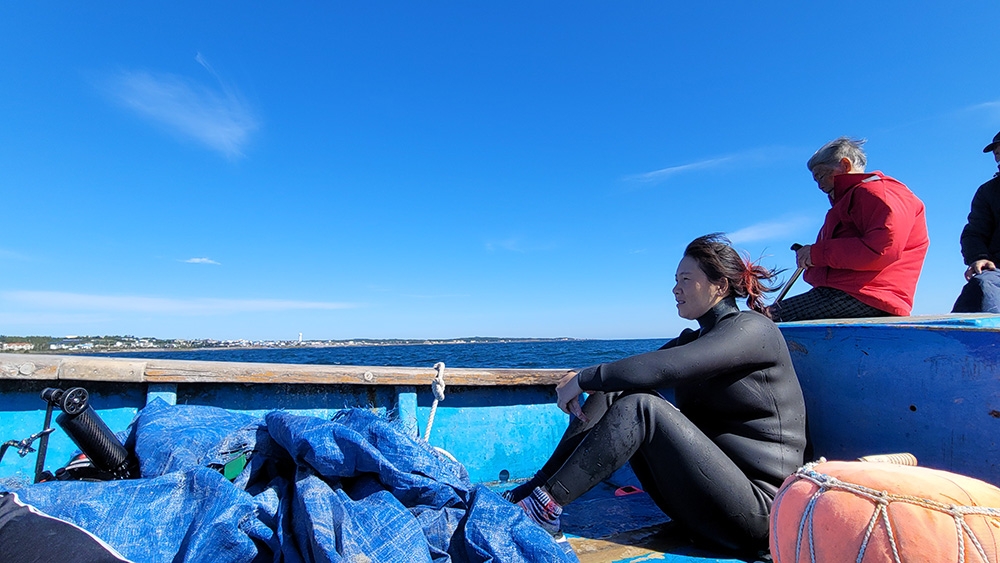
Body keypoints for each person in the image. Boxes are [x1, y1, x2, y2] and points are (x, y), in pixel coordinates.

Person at [504, 234, 807, 554]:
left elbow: (663, 369)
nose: (676, 289)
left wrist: (583, 378)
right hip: (706, 503)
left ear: (720, 286)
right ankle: (536, 492)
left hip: (760, 516)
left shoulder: (753, 330)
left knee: (641, 408)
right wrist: (585, 378)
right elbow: (637, 369)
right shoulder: (696, 338)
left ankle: (545, 508)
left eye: (686, 280)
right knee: (615, 390)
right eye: (675, 280)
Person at [767, 137, 929, 322]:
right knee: (760, 319)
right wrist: (812, 255)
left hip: (865, 294)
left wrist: (816, 253)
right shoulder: (854, 199)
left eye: (821, 175)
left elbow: (880, 250)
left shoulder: (876, 193)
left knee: (761, 321)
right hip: (854, 292)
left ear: (845, 165)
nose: (819, 184)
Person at [952, 131, 1000, 313]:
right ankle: (959, 339)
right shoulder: (988, 191)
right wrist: (979, 257)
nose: (999, 156)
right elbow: (974, 232)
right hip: (998, 269)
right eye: (997, 153)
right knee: (982, 285)